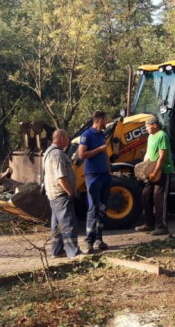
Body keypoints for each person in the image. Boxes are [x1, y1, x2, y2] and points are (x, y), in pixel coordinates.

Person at [43, 129, 82, 259]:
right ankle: (73, 252)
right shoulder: (58, 155)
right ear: (62, 139)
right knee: (68, 223)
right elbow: (61, 177)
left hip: (52, 195)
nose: (69, 141)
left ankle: (57, 250)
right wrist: (70, 192)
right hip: (61, 195)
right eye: (67, 138)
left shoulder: (48, 152)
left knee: (57, 226)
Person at [78, 110, 111, 253]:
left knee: (103, 208)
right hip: (92, 177)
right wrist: (98, 149)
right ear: (100, 120)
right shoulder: (87, 136)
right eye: (106, 119)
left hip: (105, 176)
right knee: (93, 209)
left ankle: (99, 239)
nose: (107, 122)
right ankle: (89, 241)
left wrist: (109, 171)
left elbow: (105, 155)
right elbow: (81, 154)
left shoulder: (102, 135)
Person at [135, 115, 173, 236]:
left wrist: (155, 172)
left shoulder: (162, 136)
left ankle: (162, 226)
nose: (146, 129)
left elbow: (162, 157)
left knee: (159, 198)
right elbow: (148, 153)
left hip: (162, 171)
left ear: (154, 125)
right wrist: (144, 169)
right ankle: (149, 223)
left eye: (147, 126)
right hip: (151, 171)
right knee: (146, 194)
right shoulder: (151, 136)